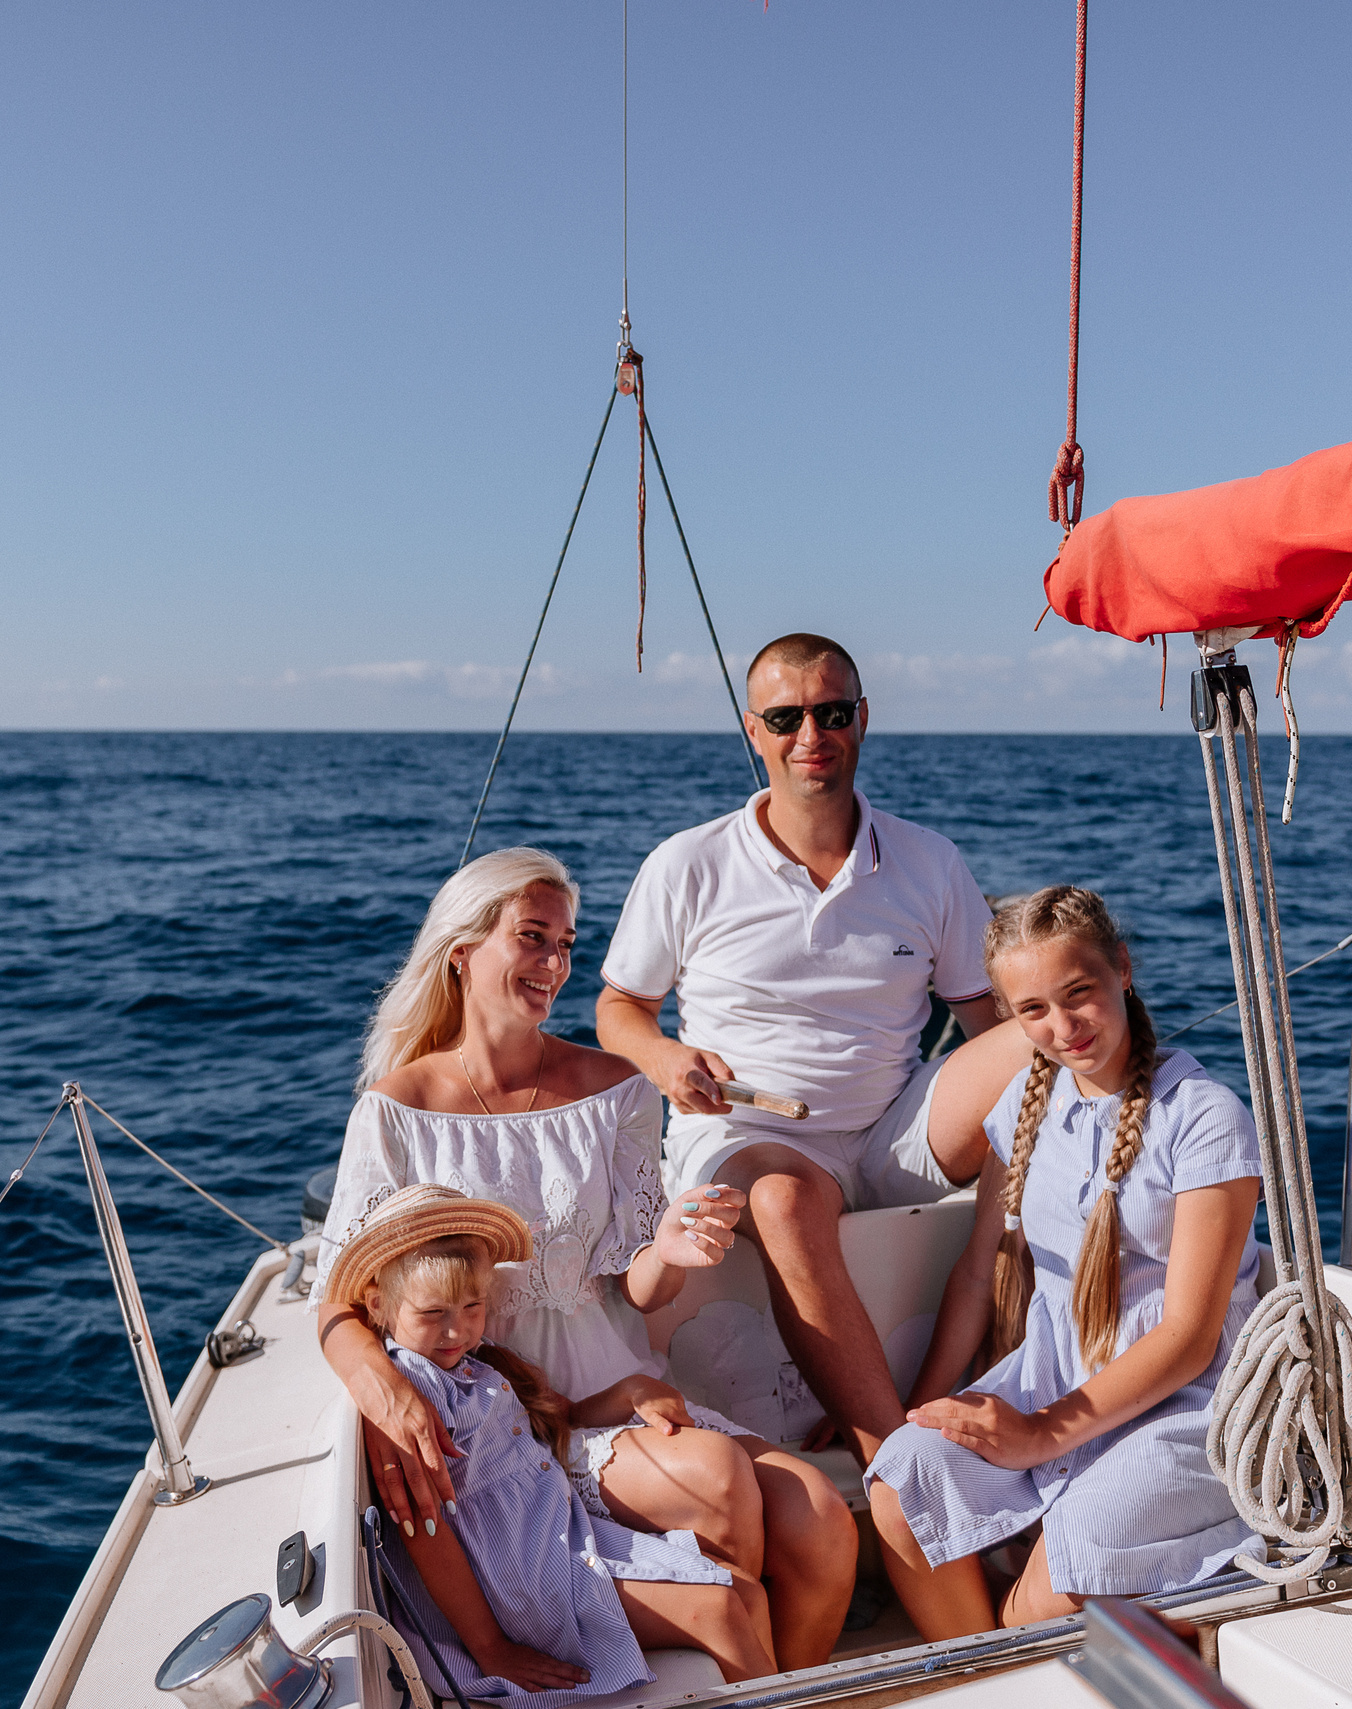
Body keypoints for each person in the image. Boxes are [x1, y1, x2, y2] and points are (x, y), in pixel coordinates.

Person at [315, 847, 857, 1669]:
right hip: (503, 1429)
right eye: (532, 937)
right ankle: (731, 1663)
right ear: (462, 952)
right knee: (715, 1482)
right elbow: (337, 1301)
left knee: (822, 1519)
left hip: (614, 1391)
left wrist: (669, 1247)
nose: (555, 963)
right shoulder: (398, 1110)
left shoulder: (617, 1088)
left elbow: (635, 1288)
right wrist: (386, 1397)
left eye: (567, 944)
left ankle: (772, 1683)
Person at [596, 633, 1025, 1471]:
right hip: (751, 1135)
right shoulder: (689, 863)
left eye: (831, 713)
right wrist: (665, 1058)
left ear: (861, 720)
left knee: (1036, 1046)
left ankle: (1049, 1356)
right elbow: (620, 1008)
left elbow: (988, 1016)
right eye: (786, 717)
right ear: (753, 730)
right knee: (788, 1200)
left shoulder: (929, 862)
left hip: (891, 1130)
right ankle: (897, 1458)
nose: (811, 735)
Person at [864, 886, 1264, 1639]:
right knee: (904, 1477)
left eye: (1079, 994)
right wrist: (918, 1412)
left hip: (1185, 1406)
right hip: (1053, 1379)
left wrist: (1043, 1433)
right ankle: (985, 1669)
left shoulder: (1206, 1118)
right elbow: (980, 1272)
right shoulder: (1023, 1103)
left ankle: (1000, 1668)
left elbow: (1189, 1337)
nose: (1063, 1026)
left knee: (1067, 1569)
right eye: (1033, 1010)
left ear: (1123, 968)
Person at [331, 1186, 775, 1696]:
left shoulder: (481, 1365)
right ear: (379, 1305)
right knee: (717, 1608)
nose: (456, 1332)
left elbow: (559, 1418)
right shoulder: (412, 1390)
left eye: (472, 1307)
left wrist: (629, 1391)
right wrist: (490, 1648)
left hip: (565, 1540)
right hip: (517, 1581)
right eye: (432, 1315)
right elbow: (425, 1533)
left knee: (745, 1592)